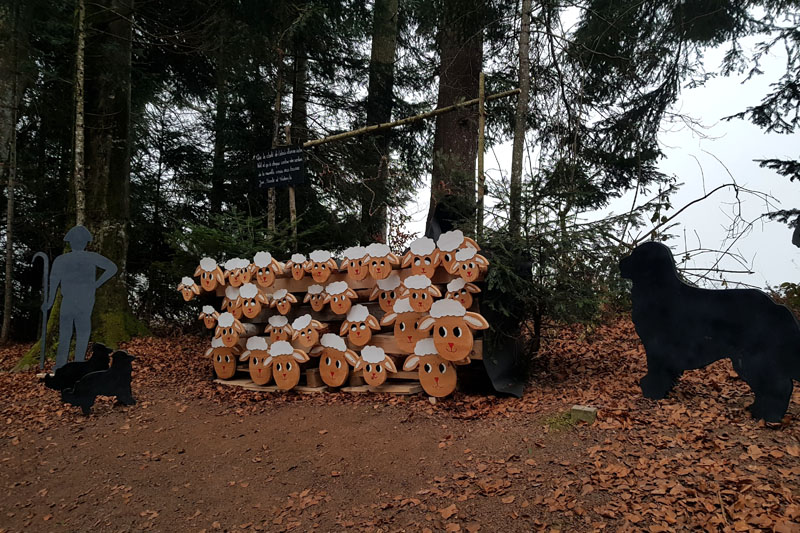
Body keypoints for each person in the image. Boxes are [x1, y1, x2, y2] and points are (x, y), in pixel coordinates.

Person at [42, 226, 117, 369]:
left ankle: (61, 365)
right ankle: (78, 365)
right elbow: (112, 267)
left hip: (69, 301)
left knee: (65, 334)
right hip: (84, 301)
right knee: (82, 333)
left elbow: (54, 282)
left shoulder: (61, 259)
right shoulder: (91, 257)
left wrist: (49, 302)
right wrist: (96, 284)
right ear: (85, 243)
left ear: (70, 243)